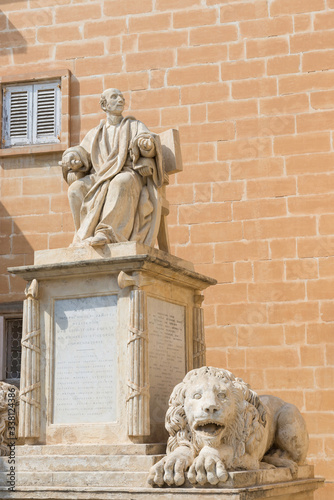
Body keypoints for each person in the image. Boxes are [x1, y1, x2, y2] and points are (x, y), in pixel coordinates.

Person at [60, 88, 165, 247]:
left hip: (128, 174)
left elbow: (145, 139)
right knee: (75, 189)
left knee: (120, 182)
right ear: (104, 105)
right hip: (100, 177)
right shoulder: (96, 133)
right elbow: (82, 152)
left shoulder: (133, 125)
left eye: (122, 97)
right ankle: (83, 234)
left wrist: (146, 144)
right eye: (114, 97)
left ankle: (107, 233)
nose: (120, 100)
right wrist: (72, 158)